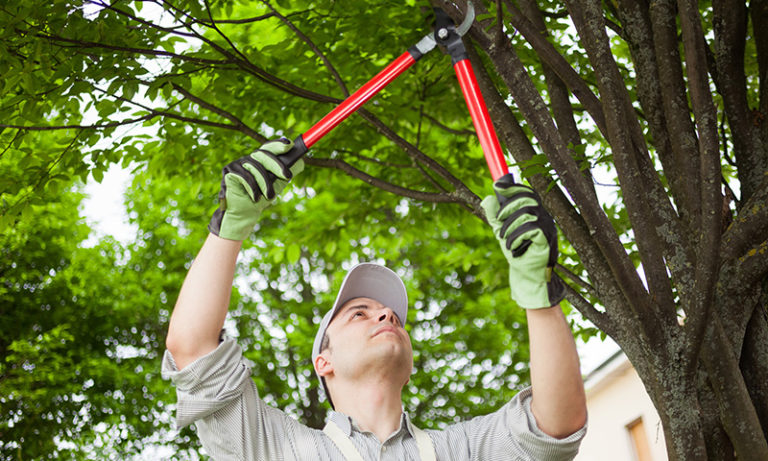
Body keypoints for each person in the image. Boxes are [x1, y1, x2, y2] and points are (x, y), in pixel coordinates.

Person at [162, 139, 587, 460]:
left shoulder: (461, 450)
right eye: (358, 313)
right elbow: (193, 351)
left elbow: (556, 426)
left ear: (411, 365)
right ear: (322, 362)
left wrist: (539, 294)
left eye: (392, 317)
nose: (385, 313)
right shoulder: (278, 448)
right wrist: (230, 225)